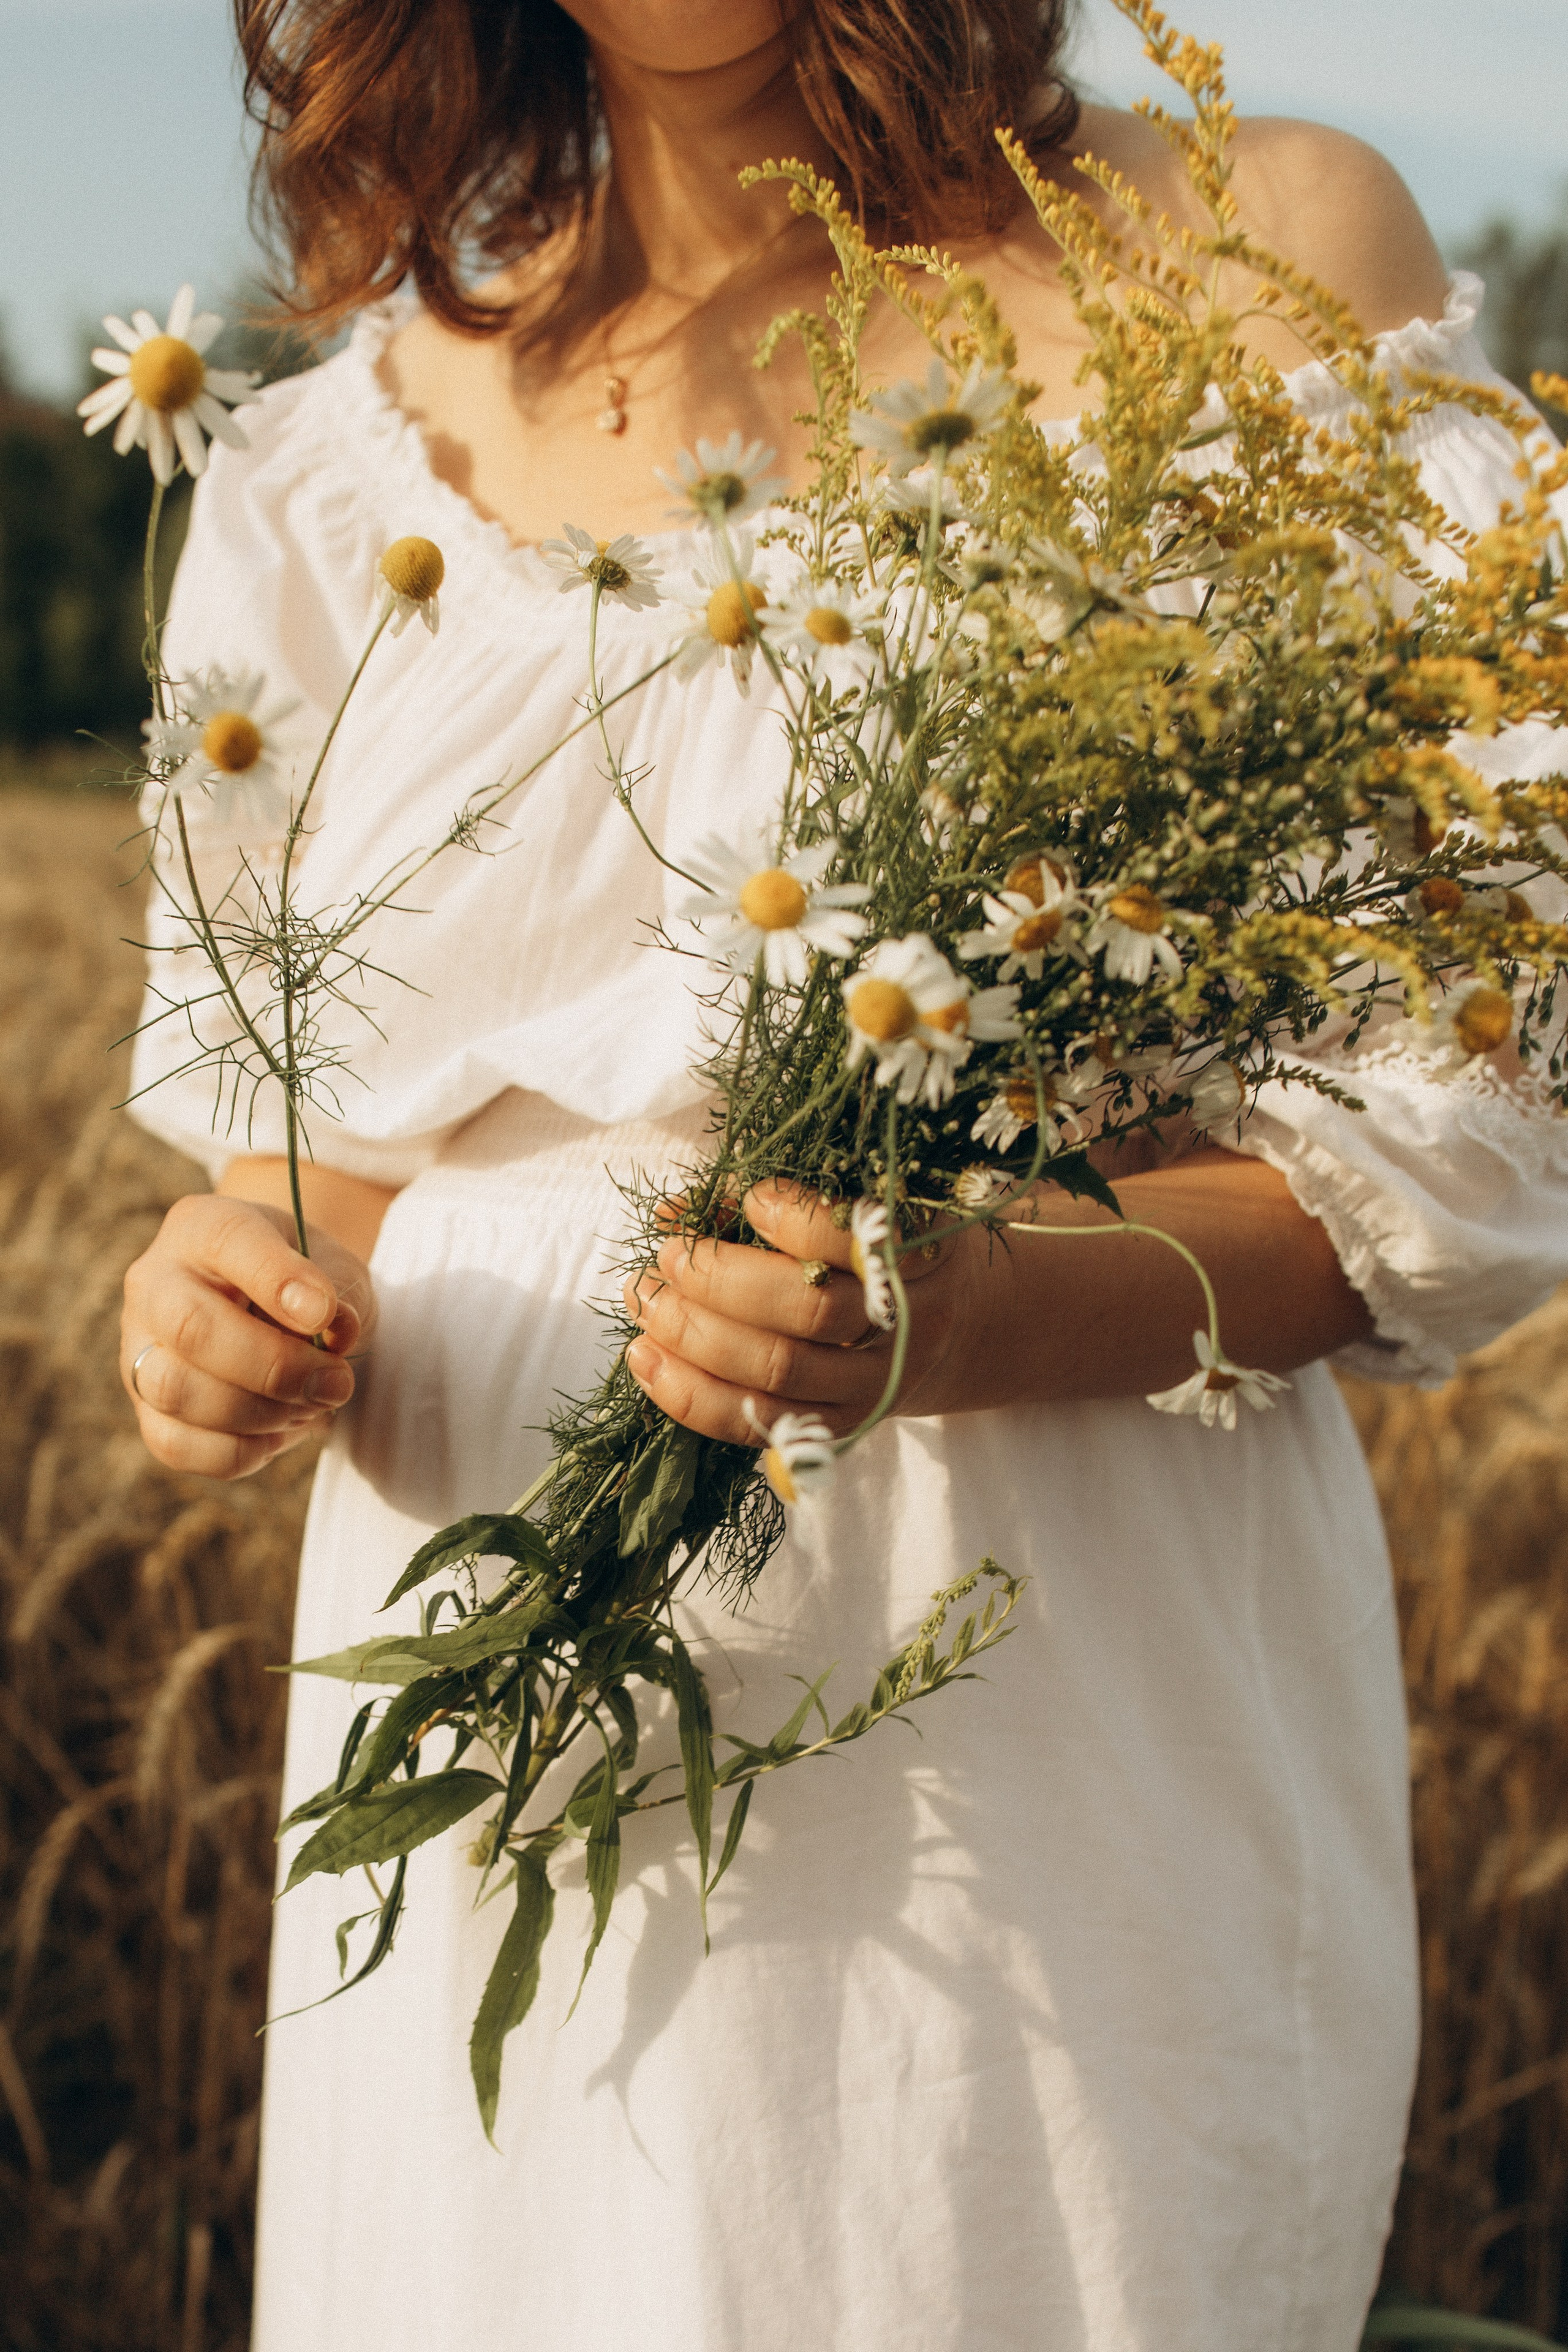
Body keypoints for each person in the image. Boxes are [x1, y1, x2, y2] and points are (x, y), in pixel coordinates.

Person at [117, 4, 1568, 2345]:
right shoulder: (307, 469)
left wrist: (953, 1309)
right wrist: (225, 1307)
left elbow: (1469, 1115)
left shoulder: (1263, 256)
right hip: (489, 1757)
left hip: (1049, 1742)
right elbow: (309, 1186)